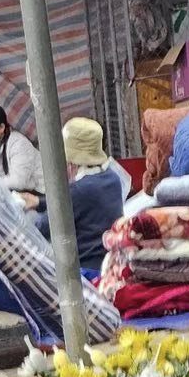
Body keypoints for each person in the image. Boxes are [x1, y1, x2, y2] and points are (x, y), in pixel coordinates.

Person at [62, 117, 127, 276]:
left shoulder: (79, 190)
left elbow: (46, 224)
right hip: (111, 262)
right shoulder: (112, 178)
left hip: (88, 273)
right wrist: (37, 201)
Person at [0, 102, 43, 208]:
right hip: (20, 199)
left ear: (1, 127)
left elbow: (19, 182)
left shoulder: (18, 143)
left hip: (42, 198)